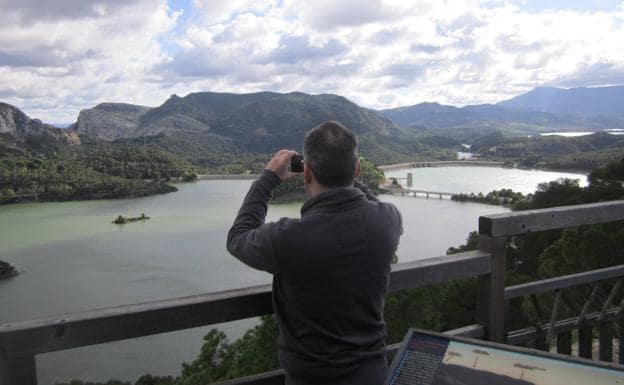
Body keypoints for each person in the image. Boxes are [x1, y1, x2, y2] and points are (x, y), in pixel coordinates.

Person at [227, 121, 403, 385]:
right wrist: (347, 175)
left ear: (306, 172)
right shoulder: (388, 220)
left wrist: (268, 178)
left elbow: (238, 237)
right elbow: (367, 204)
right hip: (373, 374)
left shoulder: (287, 238)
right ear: (356, 170)